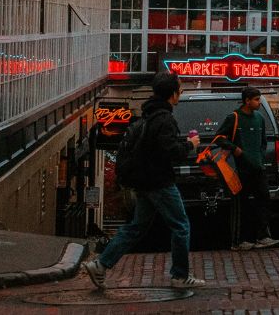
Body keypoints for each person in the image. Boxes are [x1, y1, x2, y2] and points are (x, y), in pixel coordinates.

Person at [83, 71, 204, 289]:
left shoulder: (149, 114)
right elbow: (170, 152)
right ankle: (180, 275)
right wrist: (190, 145)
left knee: (136, 227)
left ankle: (101, 264)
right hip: (160, 182)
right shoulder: (165, 119)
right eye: (179, 88)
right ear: (173, 94)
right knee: (181, 226)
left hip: (144, 181)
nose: (182, 91)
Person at [218, 87, 279, 250]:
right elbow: (219, 138)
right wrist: (236, 149)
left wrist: (259, 155)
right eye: (256, 100)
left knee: (263, 199)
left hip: (258, 167)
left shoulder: (259, 118)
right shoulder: (234, 117)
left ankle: (262, 236)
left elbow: (264, 141)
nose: (259, 103)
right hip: (241, 169)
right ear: (247, 100)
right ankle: (240, 240)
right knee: (242, 204)